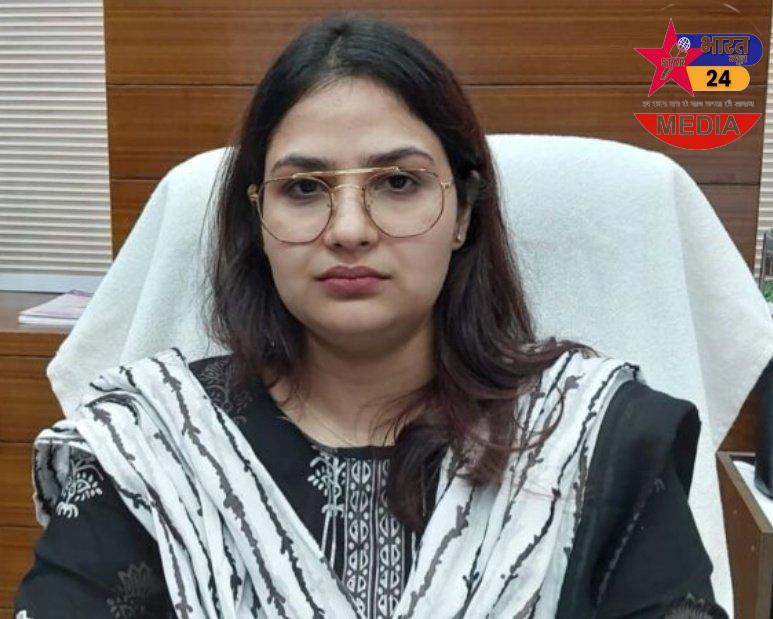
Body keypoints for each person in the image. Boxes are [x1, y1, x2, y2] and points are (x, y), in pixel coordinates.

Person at [14, 12, 728, 619]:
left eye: (397, 182)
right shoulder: (153, 450)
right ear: (256, 221)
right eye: (303, 188)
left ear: (462, 213)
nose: (349, 229)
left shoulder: (588, 437)